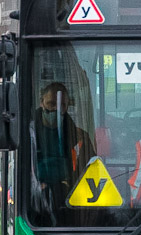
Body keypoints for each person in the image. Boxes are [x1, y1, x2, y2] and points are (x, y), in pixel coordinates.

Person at [31, 82, 95, 214]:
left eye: (62, 105)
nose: (56, 109)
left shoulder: (79, 137)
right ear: (41, 102)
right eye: (51, 104)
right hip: (33, 203)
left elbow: (89, 173)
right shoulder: (26, 135)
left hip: (70, 203)